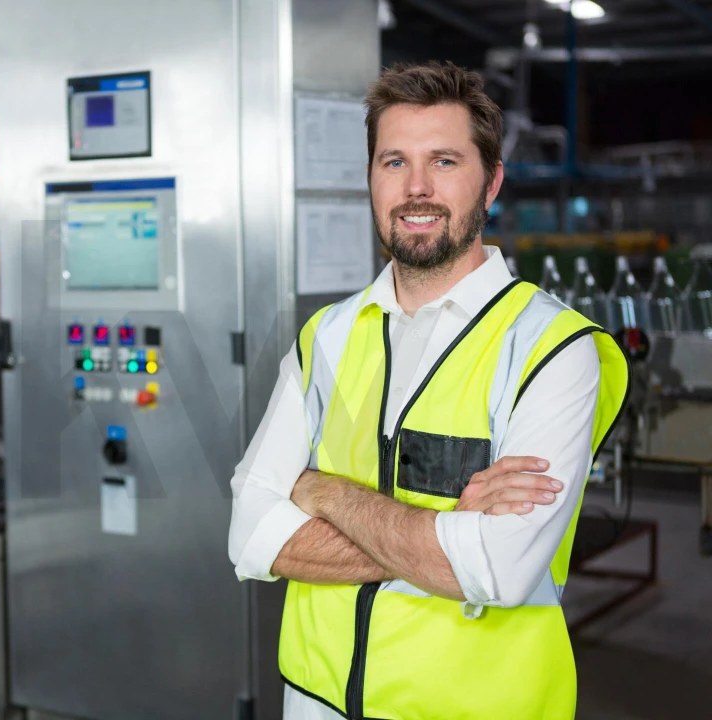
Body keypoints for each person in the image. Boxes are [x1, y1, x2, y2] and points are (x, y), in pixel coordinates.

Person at [227, 62, 630, 720]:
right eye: (393, 163)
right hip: (316, 702)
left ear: (492, 181)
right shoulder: (327, 336)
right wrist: (447, 534)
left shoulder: (553, 349)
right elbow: (249, 536)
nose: (416, 188)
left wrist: (318, 490)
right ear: (370, 179)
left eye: (444, 161)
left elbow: (496, 570)